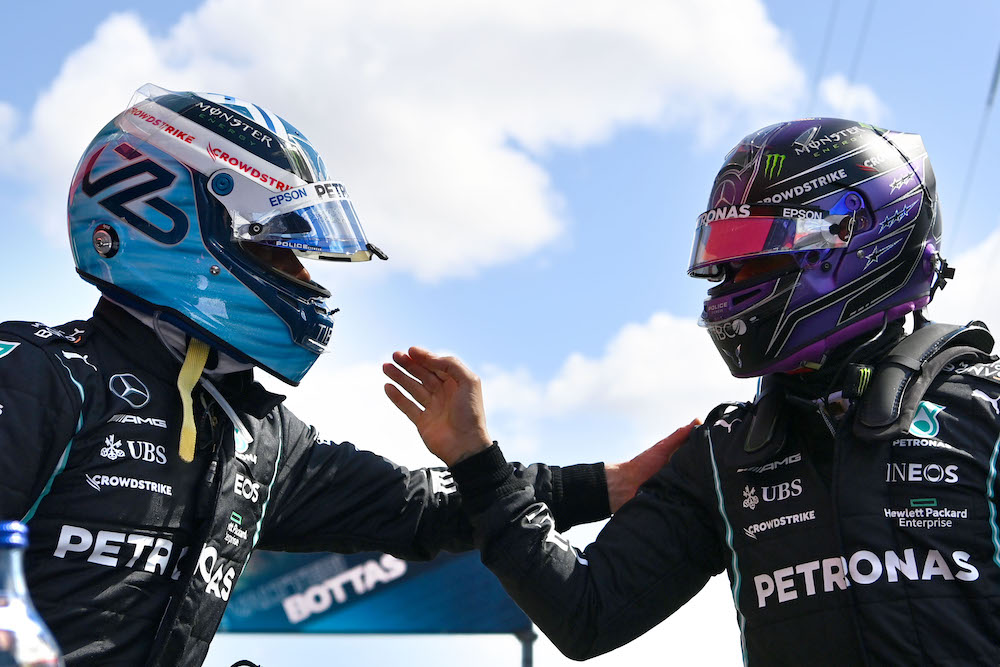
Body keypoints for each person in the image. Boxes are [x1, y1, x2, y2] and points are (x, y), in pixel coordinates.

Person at [0, 83, 670, 666]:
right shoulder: (41, 379)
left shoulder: (259, 437)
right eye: (279, 250)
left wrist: (606, 485)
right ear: (166, 225)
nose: (306, 280)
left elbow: (421, 508)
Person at [384, 118, 1000, 665]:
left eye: (753, 254)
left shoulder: (987, 415)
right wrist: (477, 463)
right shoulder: (725, 454)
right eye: (721, 261)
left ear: (849, 244)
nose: (727, 282)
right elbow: (585, 614)